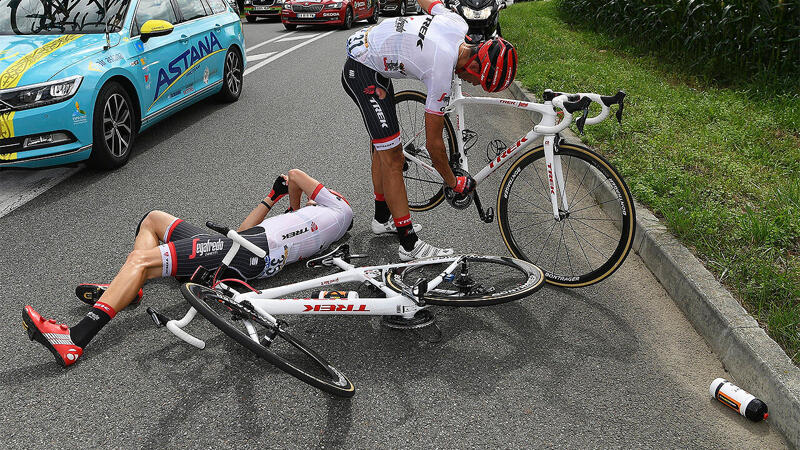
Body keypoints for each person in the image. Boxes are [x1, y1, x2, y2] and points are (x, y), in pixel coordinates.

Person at [22, 169, 353, 367]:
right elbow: (240, 232)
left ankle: (76, 338)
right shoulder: (312, 224)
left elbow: (295, 175)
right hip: (244, 250)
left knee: (141, 261)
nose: (314, 197)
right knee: (153, 220)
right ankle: (127, 290)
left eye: (317, 197)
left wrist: (293, 200)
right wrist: (271, 199)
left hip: (249, 255)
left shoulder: (338, 209)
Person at [341, 0, 517, 261]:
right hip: (362, 68)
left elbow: (430, 2)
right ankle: (409, 245)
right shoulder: (440, 71)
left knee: (383, 147)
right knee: (393, 158)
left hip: (375, 58)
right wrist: (454, 182)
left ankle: (381, 219)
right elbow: (435, 145)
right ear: (475, 65)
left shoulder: (458, 23)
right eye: (478, 81)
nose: (473, 84)